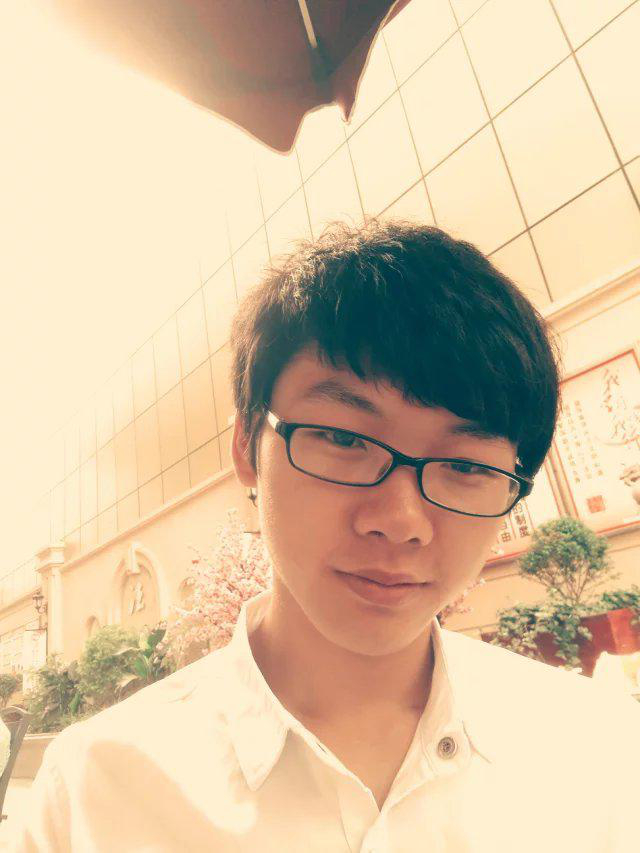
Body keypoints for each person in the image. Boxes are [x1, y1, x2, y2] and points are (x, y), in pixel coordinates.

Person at [17, 221, 640, 851]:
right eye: (344, 438)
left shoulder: (600, 754)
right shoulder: (97, 790)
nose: (399, 521)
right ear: (246, 445)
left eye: (467, 466)